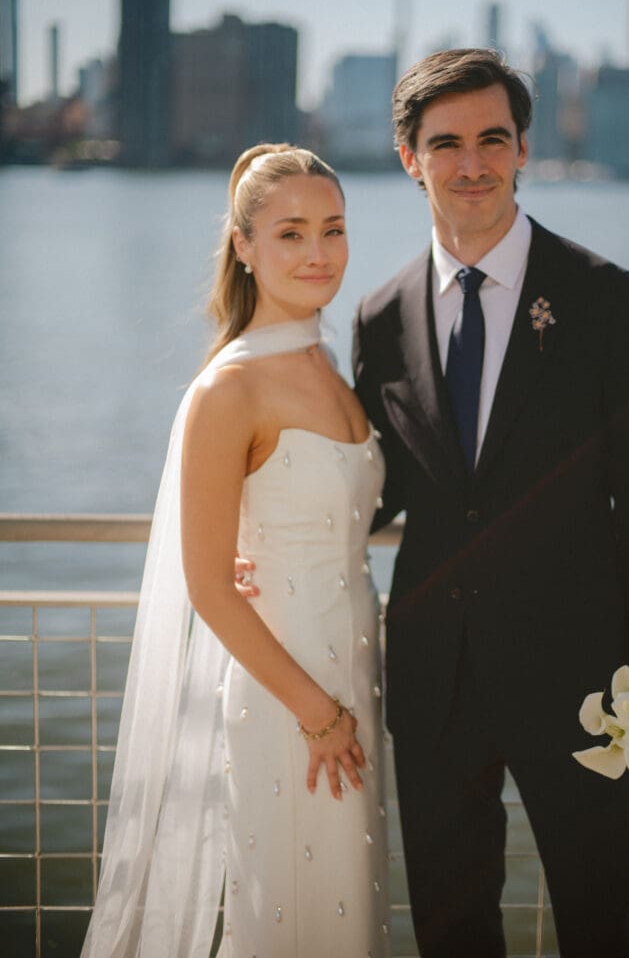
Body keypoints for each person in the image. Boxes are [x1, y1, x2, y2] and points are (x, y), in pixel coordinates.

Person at [351, 50, 629, 957]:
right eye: (446, 144)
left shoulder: (606, 300)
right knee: (450, 930)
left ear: (523, 149)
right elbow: (382, 489)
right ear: (409, 158)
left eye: (492, 139)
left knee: (597, 925)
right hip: (434, 681)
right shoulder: (379, 316)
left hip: (582, 683)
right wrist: (270, 532)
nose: (471, 164)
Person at [82, 144, 390, 958]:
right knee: (290, 913)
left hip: (354, 677)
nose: (318, 253)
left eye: (332, 229)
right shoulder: (229, 389)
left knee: (347, 911)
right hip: (290, 698)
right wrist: (318, 715)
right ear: (244, 245)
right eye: (290, 233)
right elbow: (210, 586)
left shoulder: (326, 361)